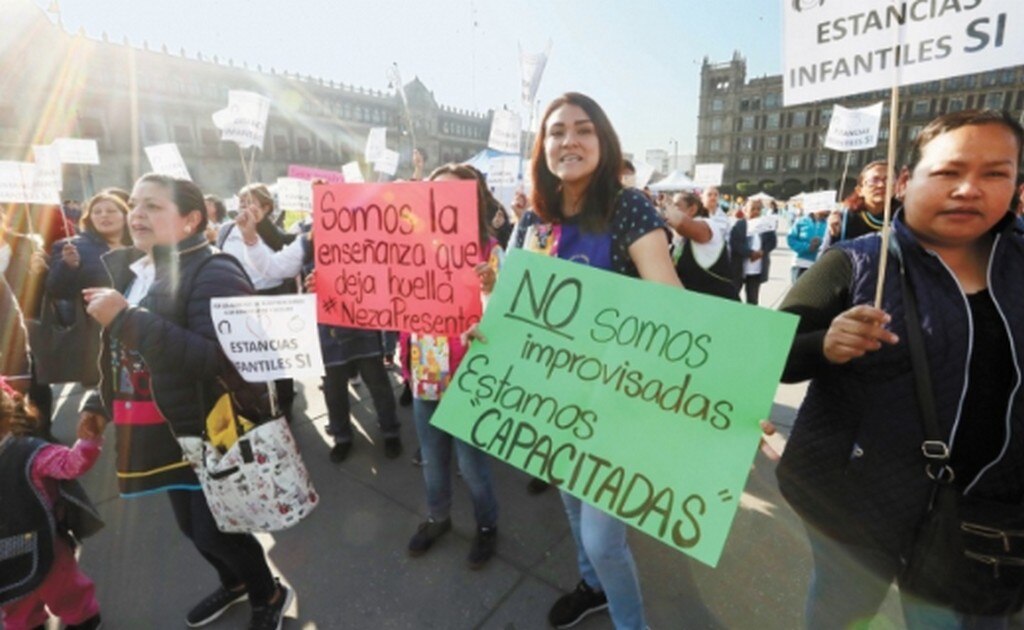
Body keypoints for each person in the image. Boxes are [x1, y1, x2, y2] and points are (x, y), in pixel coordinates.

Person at [776, 110, 1024, 628]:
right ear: (906, 181)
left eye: (995, 174)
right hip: (855, 507)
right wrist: (826, 343)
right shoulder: (856, 262)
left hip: (985, 523)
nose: (969, 189)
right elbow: (770, 357)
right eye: (949, 172)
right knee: (843, 611)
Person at [82, 173, 293, 630]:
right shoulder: (131, 269)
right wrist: (98, 404)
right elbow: (120, 355)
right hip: (154, 426)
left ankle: (268, 592)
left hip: (203, 426)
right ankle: (234, 583)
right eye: (134, 204)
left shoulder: (215, 269)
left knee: (215, 529)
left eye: (153, 206)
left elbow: (217, 359)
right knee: (191, 528)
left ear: (191, 219)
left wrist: (126, 319)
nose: (136, 214)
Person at [513, 92, 681, 630]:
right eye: (557, 131)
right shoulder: (532, 222)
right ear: (543, 148)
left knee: (604, 538)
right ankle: (592, 587)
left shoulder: (627, 207)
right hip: (554, 400)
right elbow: (516, 311)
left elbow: (672, 305)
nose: (569, 141)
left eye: (583, 130)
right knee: (571, 506)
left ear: (603, 142)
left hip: (617, 402)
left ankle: (632, 623)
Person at [235, 208, 403, 463]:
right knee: (333, 388)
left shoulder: (366, 237)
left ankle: (390, 431)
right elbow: (272, 267)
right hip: (327, 331)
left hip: (363, 326)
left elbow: (388, 275)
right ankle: (342, 437)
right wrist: (250, 238)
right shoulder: (308, 240)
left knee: (377, 382)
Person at [403, 163, 503, 569]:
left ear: (473, 200)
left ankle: (486, 526)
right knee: (431, 456)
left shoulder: (489, 250)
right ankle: (438, 517)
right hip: (424, 367)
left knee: (471, 463)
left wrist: (491, 289)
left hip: (467, 371)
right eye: (436, 192)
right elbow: (382, 289)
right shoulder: (411, 244)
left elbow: (504, 318)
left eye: (455, 194)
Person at [0, 378, 105, 630]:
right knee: (15, 599)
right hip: (4, 554)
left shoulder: (27, 452)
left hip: (45, 541)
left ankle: (85, 619)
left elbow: (70, 464)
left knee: (63, 588)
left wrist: (88, 441)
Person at [217, 183, 297, 419]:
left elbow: (284, 246)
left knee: (278, 357)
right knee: (249, 357)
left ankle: (285, 405)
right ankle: (258, 405)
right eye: (241, 202)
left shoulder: (270, 231)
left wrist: (260, 225)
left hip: (272, 297)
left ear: (265, 207)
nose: (244, 206)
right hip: (240, 299)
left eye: (250, 202)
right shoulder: (226, 229)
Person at [44, 191, 132, 386]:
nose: (104, 215)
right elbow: (57, 290)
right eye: (97, 212)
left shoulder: (142, 245)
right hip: (97, 337)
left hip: (139, 331)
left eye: (111, 210)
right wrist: (68, 266)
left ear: (126, 215)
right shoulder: (71, 246)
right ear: (89, 218)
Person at [664, 191, 737, 300]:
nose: (669, 210)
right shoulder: (678, 240)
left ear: (693, 209)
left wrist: (665, 206)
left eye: (676, 206)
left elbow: (681, 223)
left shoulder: (708, 225)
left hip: (719, 306)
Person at [823, 160, 889, 249]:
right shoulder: (845, 216)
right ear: (859, 190)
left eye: (888, 180)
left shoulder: (904, 218)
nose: (881, 185)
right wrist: (834, 236)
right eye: (874, 180)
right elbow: (825, 257)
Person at [739, 199, 777, 305]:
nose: (756, 212)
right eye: (752, 209)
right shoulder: (740, 225)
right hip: (739, 269)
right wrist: (749, 253)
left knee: (753, 299)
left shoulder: (766, 225)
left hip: (756, 270)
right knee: (733, 298)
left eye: (758, 209)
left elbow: (772, 242)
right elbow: (736, 243)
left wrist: (762, 252)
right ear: (745, 210)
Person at [787, 208, 830, 282]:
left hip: (820, 266)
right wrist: (808, 247)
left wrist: (821, 243)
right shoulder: (801, 221)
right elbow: (791, 240)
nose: (827, 211)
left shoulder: (829, 224)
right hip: (801, 264)